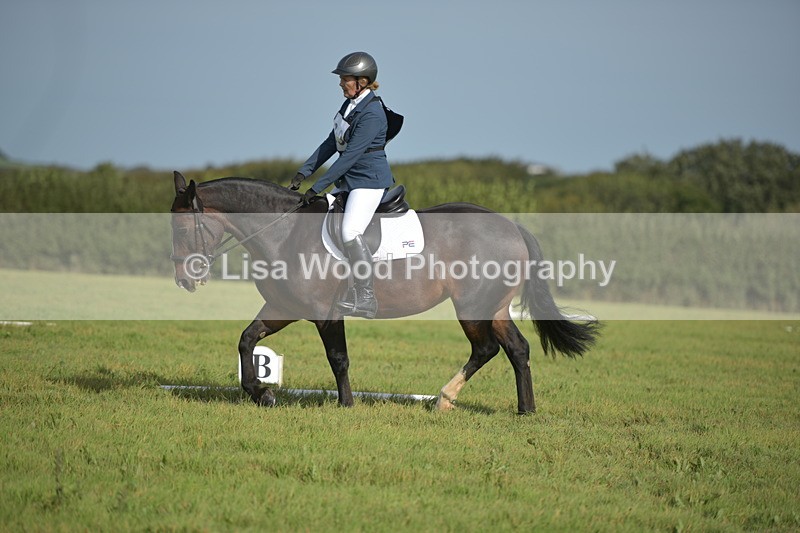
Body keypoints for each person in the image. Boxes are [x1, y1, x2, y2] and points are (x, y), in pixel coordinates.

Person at [290, 51, 395, 319]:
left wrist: (318, 187)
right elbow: (330, 144)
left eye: (345, 79)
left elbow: (349, 156)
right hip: (350, 182)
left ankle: (366, 297)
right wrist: (304, 172)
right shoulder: (350, 106)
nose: (340, 84)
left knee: (350, 231)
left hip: (368, 183)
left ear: (362, 81)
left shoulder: (372, 113)